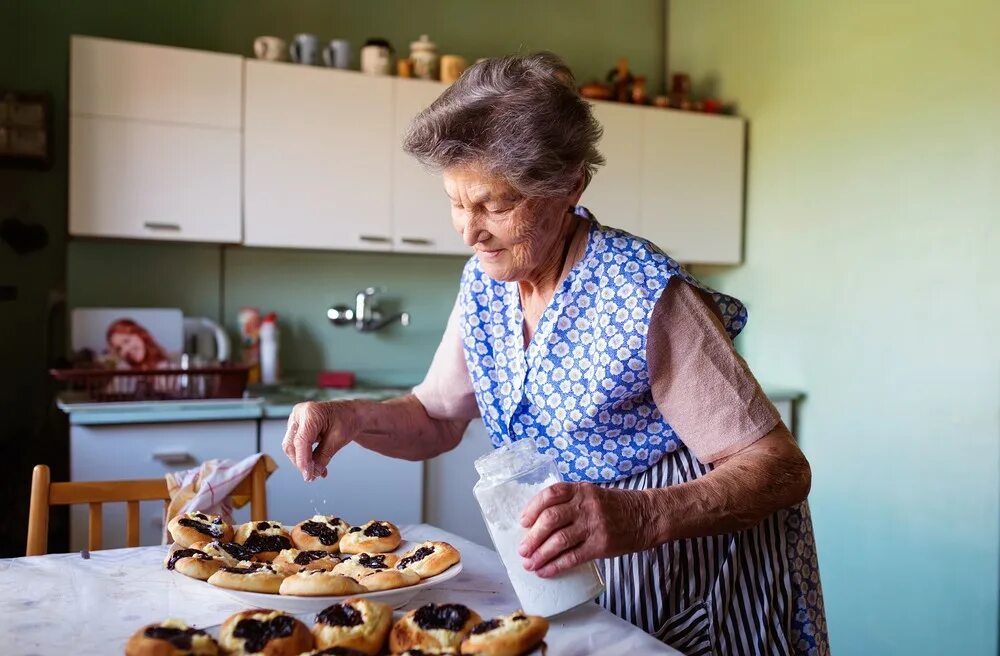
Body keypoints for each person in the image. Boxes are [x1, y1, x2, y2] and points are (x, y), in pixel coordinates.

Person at [283, 53, 828, 655]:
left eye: (495, 204)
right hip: (581, 581)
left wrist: (640, 517)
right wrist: (353, 417)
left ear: (570, 184)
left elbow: (779, 468)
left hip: (697, 582)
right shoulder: (487, 281)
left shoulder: (644, 292)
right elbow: (436, 417)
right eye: (456, 203)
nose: (469, 230)